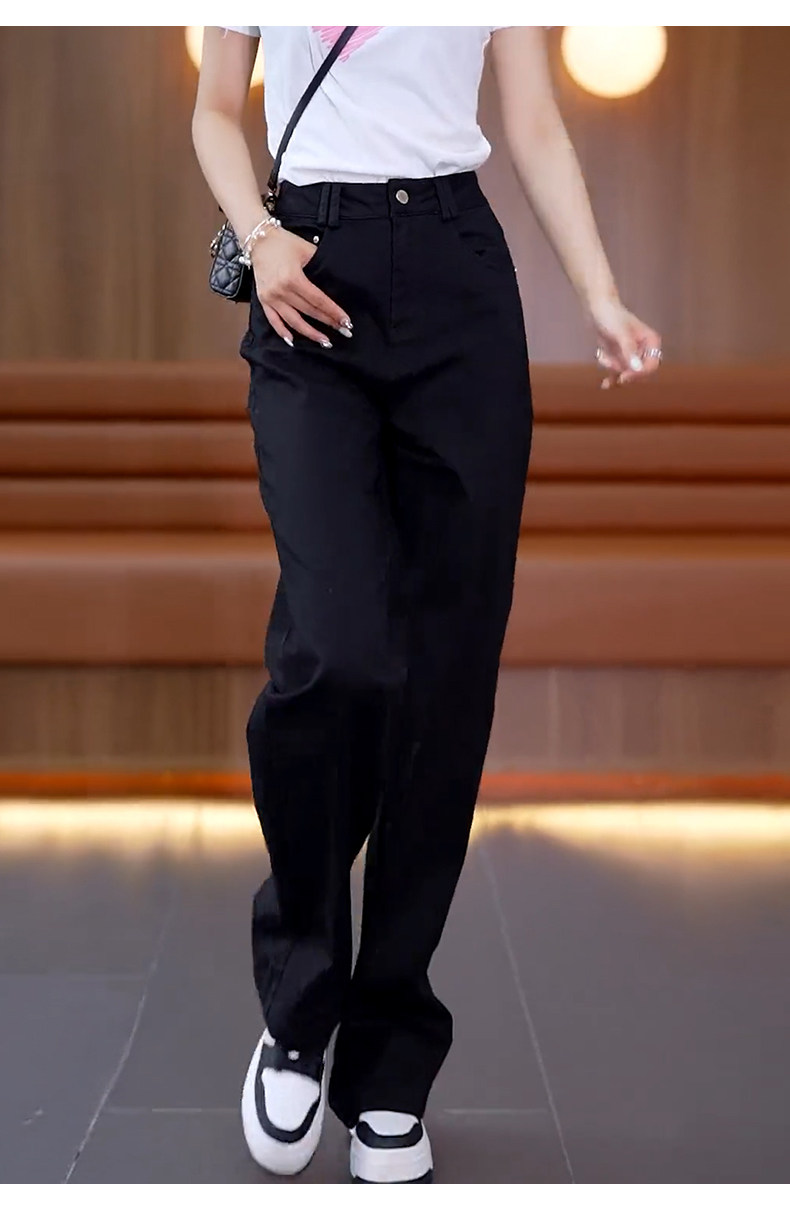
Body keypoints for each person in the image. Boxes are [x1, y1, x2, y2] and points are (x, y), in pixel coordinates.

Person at [191, 25, 662, 1184]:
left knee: (445, 686)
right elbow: (213, 112)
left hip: (459, 282)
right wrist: (259, 237)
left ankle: (390, 1059)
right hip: (306, 272)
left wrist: (599, 295)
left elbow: (534, 125)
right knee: (334, 652)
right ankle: (298, 1005)